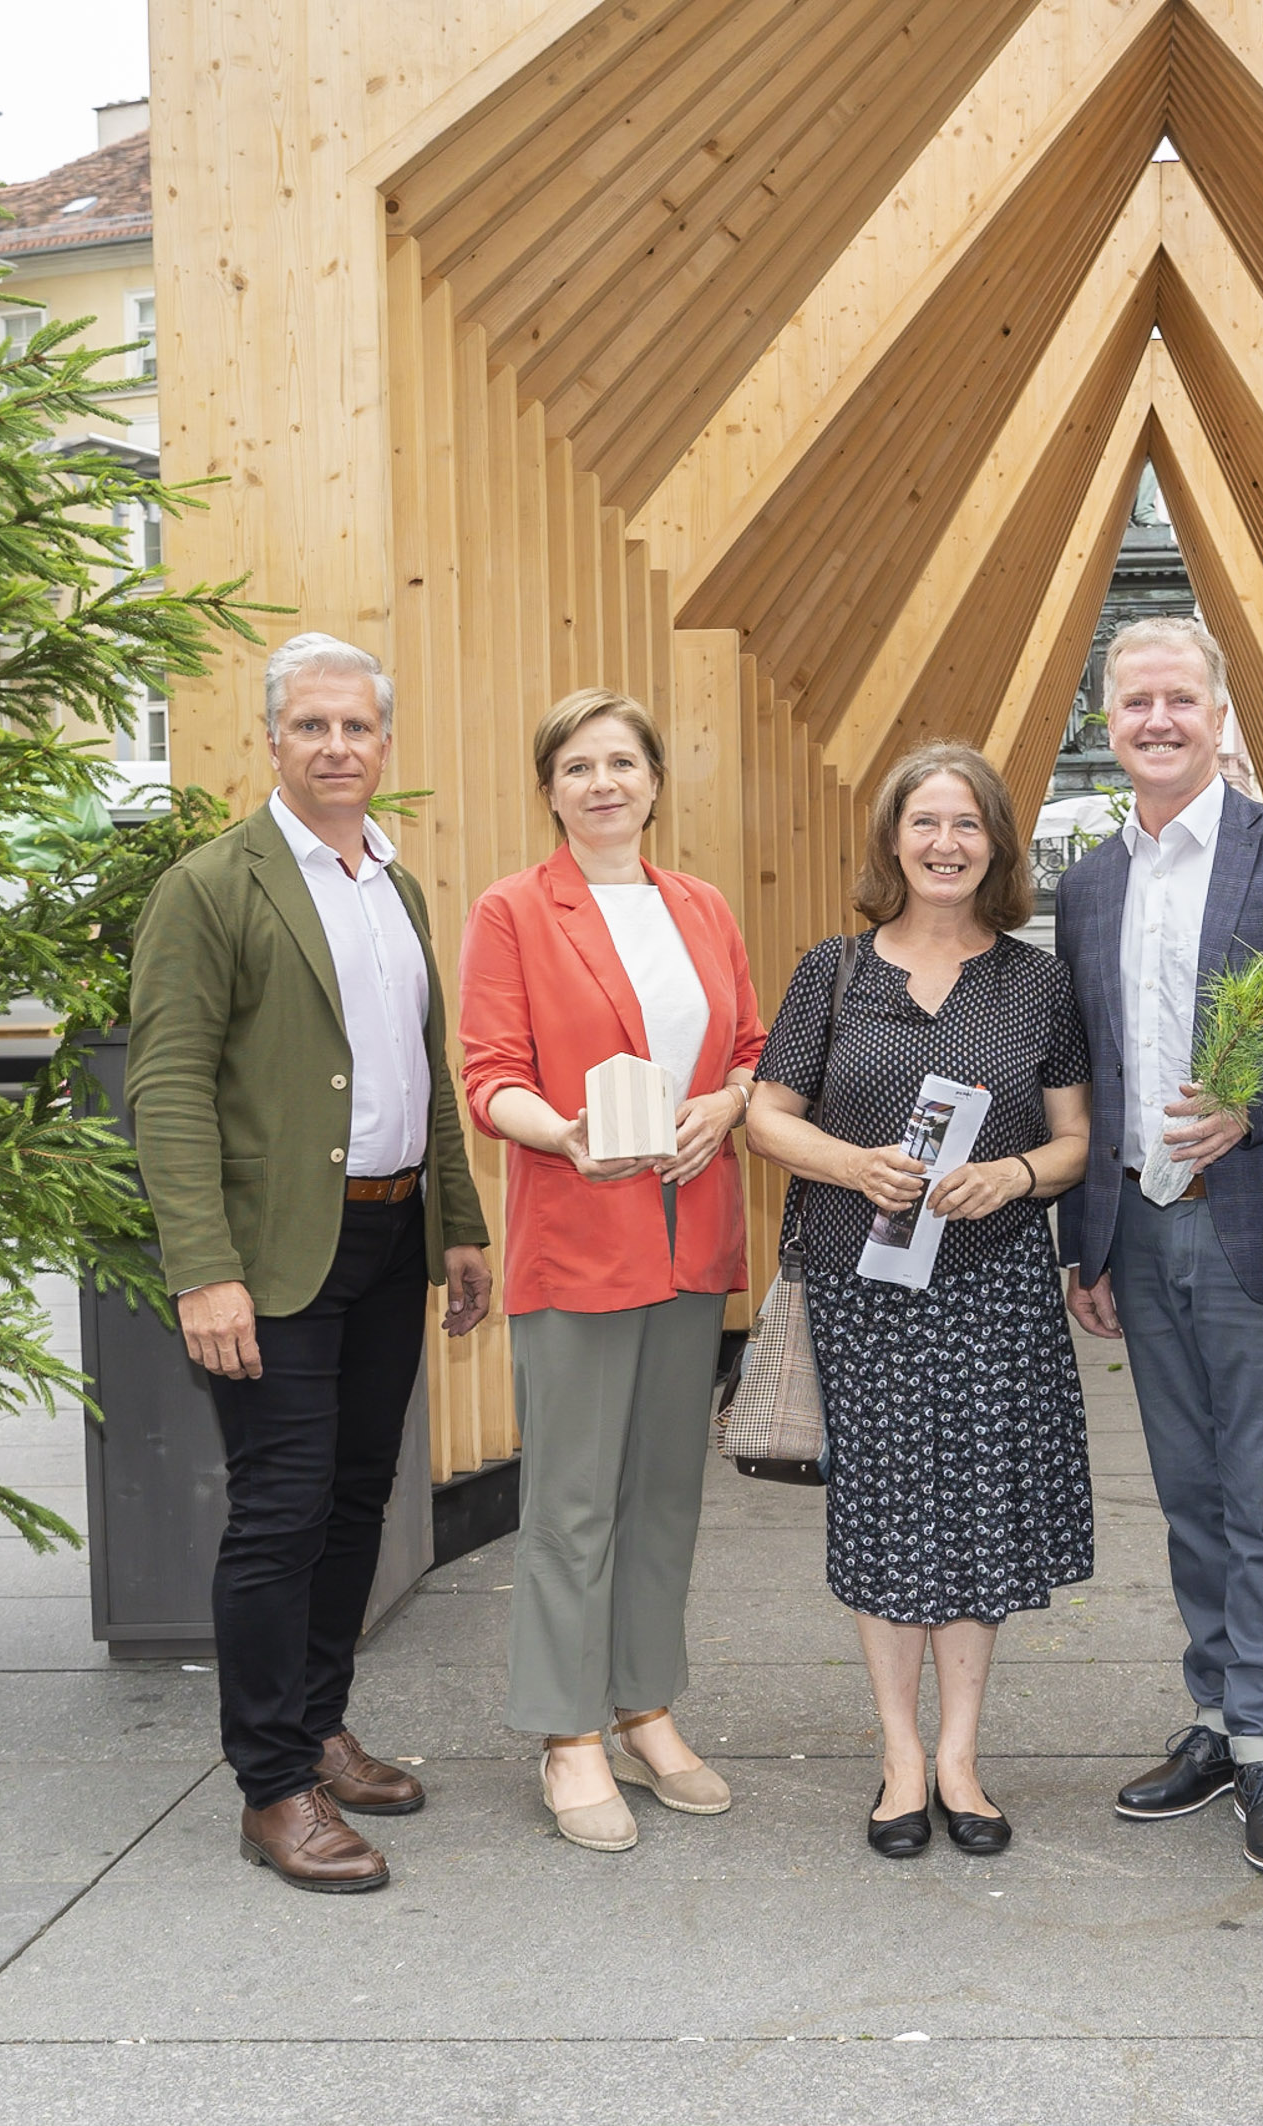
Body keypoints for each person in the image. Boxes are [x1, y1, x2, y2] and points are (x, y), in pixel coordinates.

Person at [129, 631, 495, 1894]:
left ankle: (323, 1724)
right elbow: (168, 1086)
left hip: (391, 1238)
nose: (337, 747)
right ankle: (272, 1784)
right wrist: (202, 1266)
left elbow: (423, 1072)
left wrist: (458, 1220)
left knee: (355, 1497)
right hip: (273, 1255)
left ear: (383, 744)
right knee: (279, 1511)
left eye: (358, 728)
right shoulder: (213, 885)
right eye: (312, 727)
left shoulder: (397, 886)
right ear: (271, 740)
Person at [1056, 615, 1263, 1878]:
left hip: (1255, 1219)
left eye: (1178, 700)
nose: (1155, 720)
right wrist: (1081, 1242)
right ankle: (1213, 1712)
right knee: (1189, 1493)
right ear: (1107, 721)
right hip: (1135, 1229)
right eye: (1133, 700)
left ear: (1217, 716)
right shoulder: (1091, 883)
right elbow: (1086, 1066)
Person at [746, 743, 1095, 1860]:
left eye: (968, 825)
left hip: (993, 1286)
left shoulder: (1035, 981)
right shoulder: (833, 971)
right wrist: (851, 1164)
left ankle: (960, 1754)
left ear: (996, 845)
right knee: (887, 1513)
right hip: (867, 1287)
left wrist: (1017, 1173)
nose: (946, 843)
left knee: (980, 1516)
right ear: (893, 838)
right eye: (925, 822)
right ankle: (900, 1752)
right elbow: (766, 1115)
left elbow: (1079, 1139)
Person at [456, 688, 762, 1853]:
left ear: (651, 782)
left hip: (693, 1234)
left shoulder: (700, 903)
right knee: (573, 1501)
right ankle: (565, 1733)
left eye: (622, 762)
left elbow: (748, 1045)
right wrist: (567, 1133)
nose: (602, 782)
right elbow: (490, 1074)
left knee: (666, 1495)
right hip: (581, 1232)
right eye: (578, 765)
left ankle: (644, 1705)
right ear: (550, 788)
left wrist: (728, 1099)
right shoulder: (514, 911)